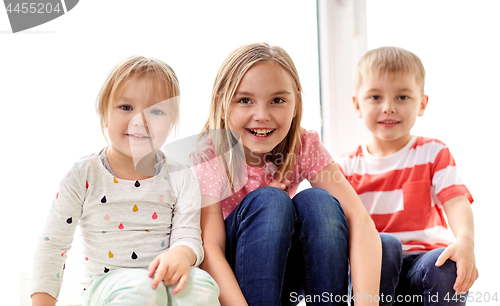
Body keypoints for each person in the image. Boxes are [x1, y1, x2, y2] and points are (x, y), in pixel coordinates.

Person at [190, 42, 398, 306]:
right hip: (233, 280)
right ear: (222, 102)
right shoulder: (208, 154)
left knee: (318, 202)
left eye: (277, 100)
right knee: (271, 201)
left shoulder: (304, 145)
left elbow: (359, 220)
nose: (262, 115)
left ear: (296, 101)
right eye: (245, 100)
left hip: (284, 273)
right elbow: (210, 250)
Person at [30, 56, 220, 306]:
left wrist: (182, 255)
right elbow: (53, 246)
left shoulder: (181, 176)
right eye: (126, 107)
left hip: (164, 281)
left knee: (202, 285)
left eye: (156, 111)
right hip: (105, 286)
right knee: (141, 290)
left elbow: (189, 234)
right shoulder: (82, 175)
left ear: (172, 122)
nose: (140, 120)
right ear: (103, 115)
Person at [337, 46, 478, 305]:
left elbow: (456, 201)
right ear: (357, 104)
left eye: (402, 97)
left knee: (447, 267)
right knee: (385, 245)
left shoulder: (433, 152)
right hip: (373, 271)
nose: (389, 107)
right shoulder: (344, 168)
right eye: (376, 97)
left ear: (422, 104)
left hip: (423, 266)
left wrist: (466, 242)